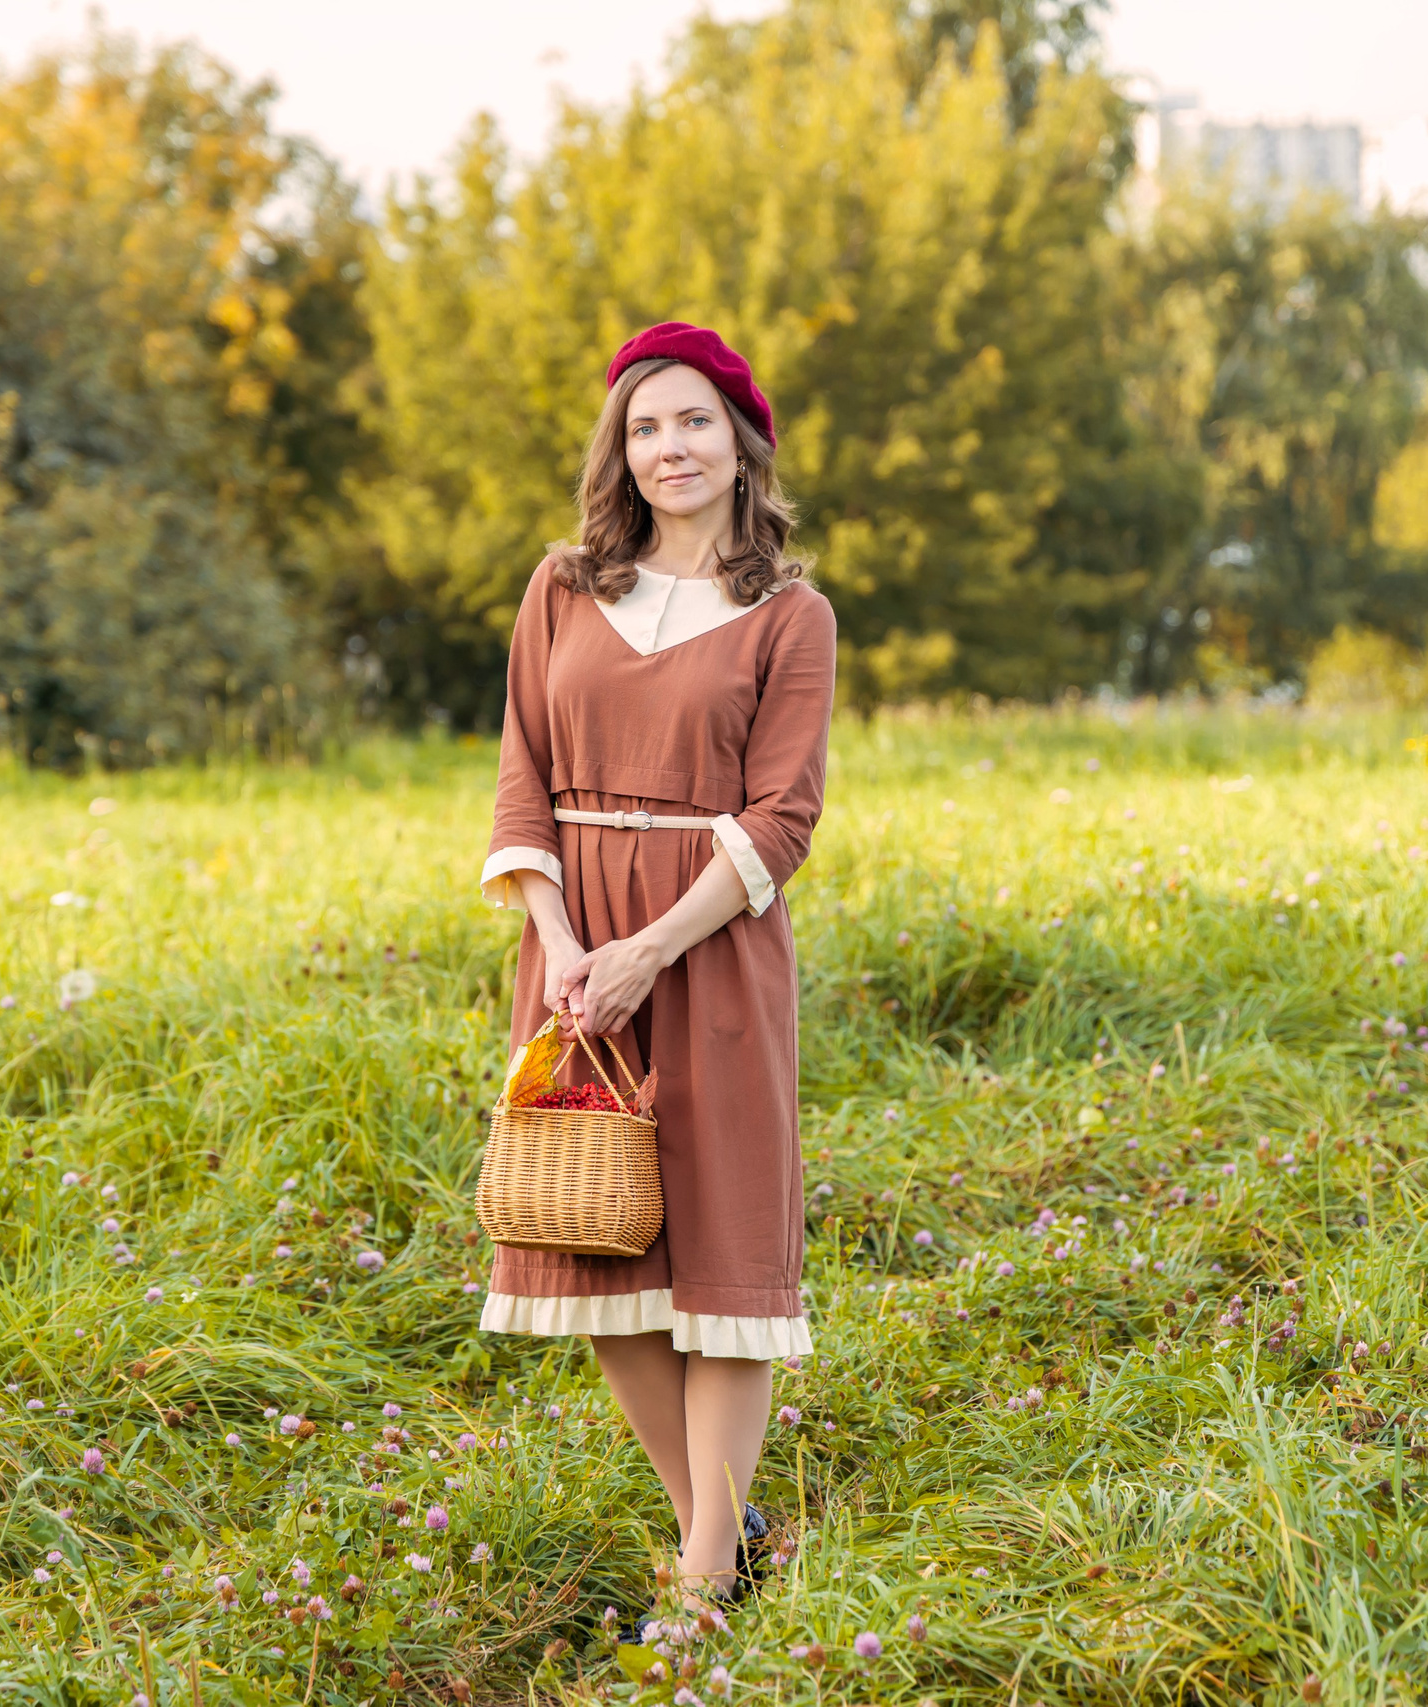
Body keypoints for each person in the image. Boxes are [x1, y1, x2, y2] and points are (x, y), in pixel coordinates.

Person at [474, 321, 836, 1614]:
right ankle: (722, 1541)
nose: (668, 447)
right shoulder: (563, 588)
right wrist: (571, 948)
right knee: (602, 1248)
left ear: (742, 444)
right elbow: (522, 779)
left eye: (692, 422)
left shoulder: (790, 617)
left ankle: (696, 1597)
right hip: (575, 959)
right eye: (644, 427)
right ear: (617, 452)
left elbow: (782, 819)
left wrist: (649, 949)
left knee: (724, 1272)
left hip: (710, 953)